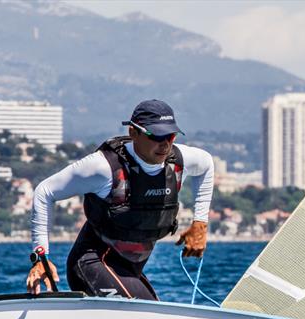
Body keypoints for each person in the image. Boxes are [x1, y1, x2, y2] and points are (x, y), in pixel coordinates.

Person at [26, 99, 214, 299]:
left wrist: (200, 223)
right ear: (133, 133)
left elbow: (207, 165)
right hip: (92, 262)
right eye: (157, 135)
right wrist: (40, 258)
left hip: (130, 270)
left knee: (154, 318)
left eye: (170, 135)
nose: (165, 144)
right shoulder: (103, 167)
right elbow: (45, 191)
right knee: (147, 318)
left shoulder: (181, 160)